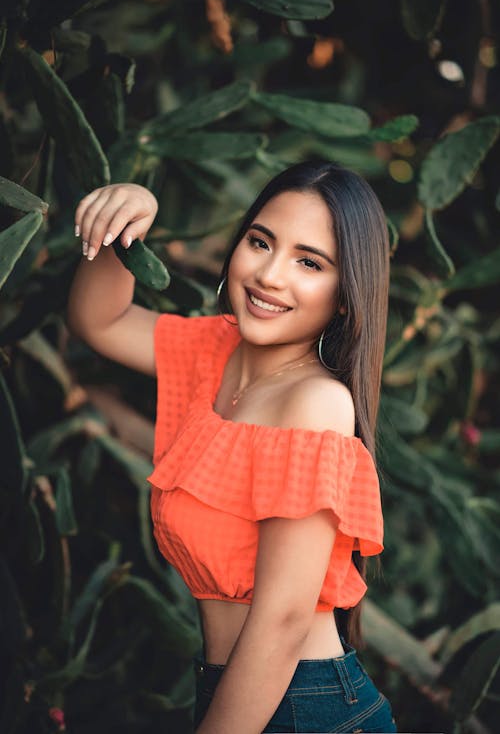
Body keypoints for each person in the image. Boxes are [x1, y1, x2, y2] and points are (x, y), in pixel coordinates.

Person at [67, 161, 397, 733]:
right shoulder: (211, 351)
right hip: (238, 692)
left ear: (346, 296)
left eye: (309, 262)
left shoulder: (316, 403)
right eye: (260, 241)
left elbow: (284, 618)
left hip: (306, 707)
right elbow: (97, 320)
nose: (270, 274)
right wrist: (127, 220)